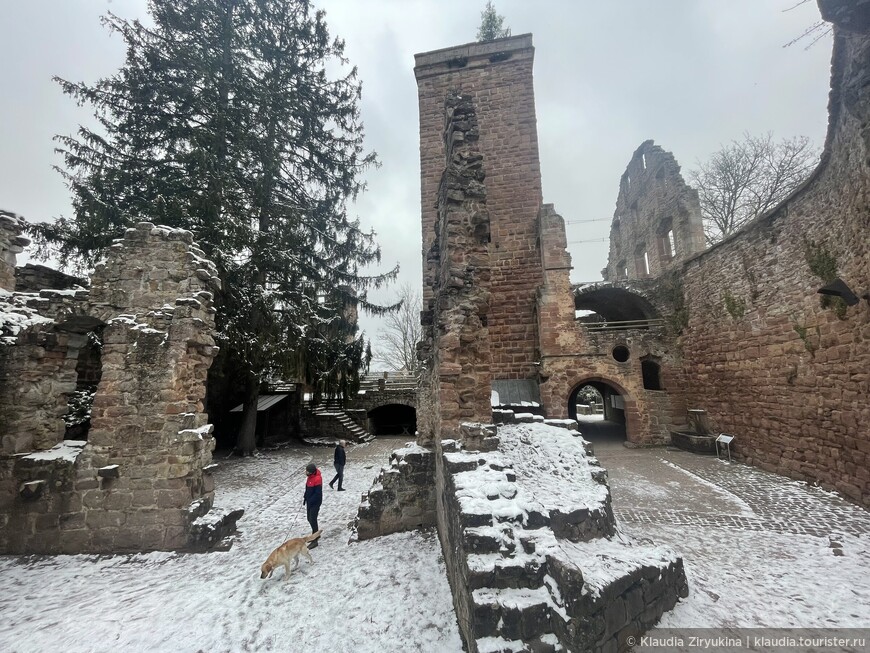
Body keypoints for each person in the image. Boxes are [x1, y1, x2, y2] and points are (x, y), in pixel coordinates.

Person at [302, 462, 322, 548]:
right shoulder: (310, 478)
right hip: (309, 501)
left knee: (313, 519)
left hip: (315, 502)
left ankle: (315, 540)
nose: (306, 473)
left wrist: (311, 500)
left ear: (312, 472)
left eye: (308, 472)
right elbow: (308, 489)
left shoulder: (317, 479)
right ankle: (316, 534)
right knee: (309, 518)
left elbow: (318, 493)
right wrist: (305, 496)